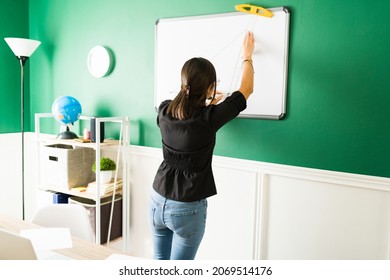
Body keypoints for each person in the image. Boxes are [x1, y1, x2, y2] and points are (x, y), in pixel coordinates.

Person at [148, 31, 255, 260]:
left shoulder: (164, 110)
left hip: (157, 198)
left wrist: (208, 101)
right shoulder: (209, 118)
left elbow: (185, 110)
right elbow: (246, 90)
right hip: (186, 207)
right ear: (210, 86)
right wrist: (247, 56)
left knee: (158, 264)